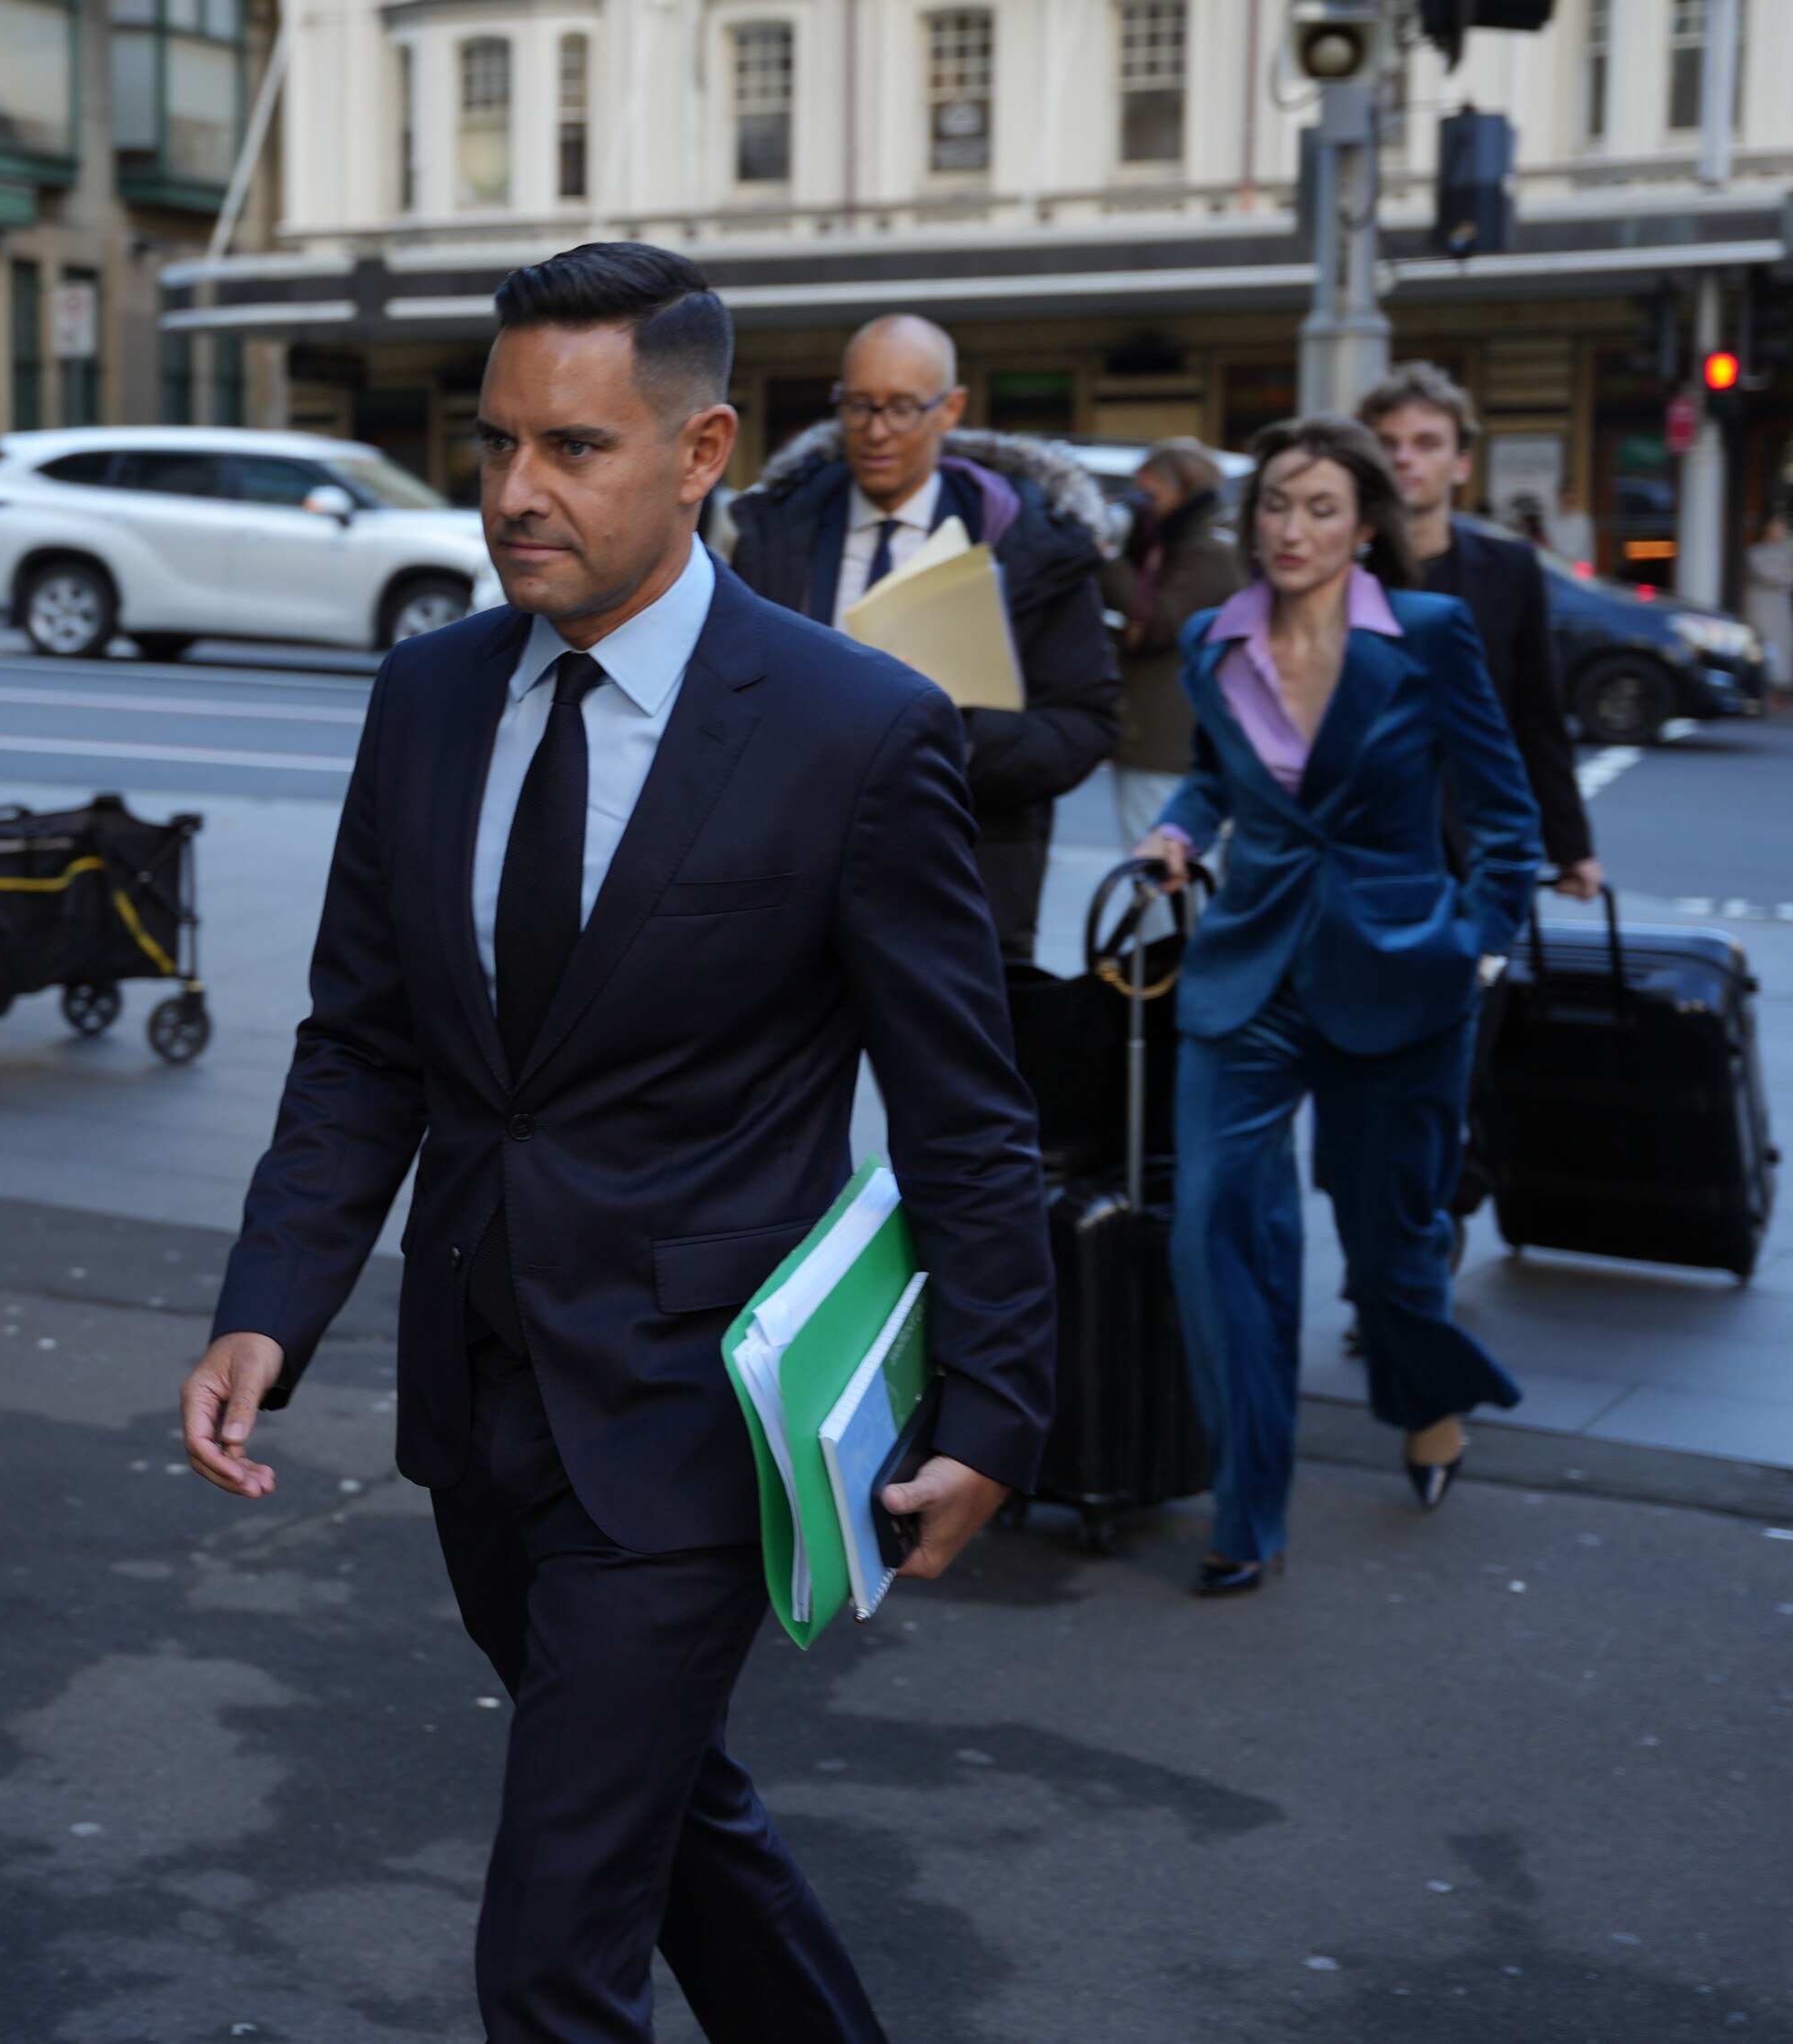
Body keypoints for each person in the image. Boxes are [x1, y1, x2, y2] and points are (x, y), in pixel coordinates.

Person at [182, 244, 1057, 2044]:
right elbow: (362, 1039)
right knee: (666, 1809)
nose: (514, 492)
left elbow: (966, 1104)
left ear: (701, 448)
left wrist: (996, 1405)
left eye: (573, 446)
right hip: (480, 1389)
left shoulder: (851, 727)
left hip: (691, 1416)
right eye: (494, 442)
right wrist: (272, 1300)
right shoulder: (427, 700)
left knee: (552, 1948)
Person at [1132, 416, 1542, 1596]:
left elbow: (1503, 810)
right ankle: (1246, 1509)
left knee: (1389, 1252)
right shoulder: (1215, 638)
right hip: (1248, 973)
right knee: (1213, 1229)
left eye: (1318, 507)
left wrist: (1481, 944)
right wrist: (1176, 829)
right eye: (1273, 504)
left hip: (1404, 973)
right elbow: (1221, 771)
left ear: (1364, 524)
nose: (1291, 528)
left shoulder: (1426, 632)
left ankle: (1427, 1397)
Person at [729, 315, 1117, 962]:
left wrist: (950, 737)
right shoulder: (775, 534)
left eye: (903, 408)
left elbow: (1084, 726)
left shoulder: (1030, 543)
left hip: (966, 886)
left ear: (950, 408)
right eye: (858, 406)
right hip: (794, 887)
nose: (876, 431)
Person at [1360, 364, 1602, 902]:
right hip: (1355, 850)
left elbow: (1537, 716)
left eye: (1427, 443)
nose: (1404, 458)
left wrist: (1571, 845)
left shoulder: (1510, 570)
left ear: (1461, 464)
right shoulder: (1332, 571)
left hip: (1473, 851)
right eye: (1388, 443)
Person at [1100, 438, 1244, 850]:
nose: (1140, 506)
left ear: (1181, 488)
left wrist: (1107, 558)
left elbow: (1156, 623)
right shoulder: (1179, 543)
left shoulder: (1209, 550)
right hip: (1163, 733)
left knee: (1159, 867)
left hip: (1168, 738)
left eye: (1149, 494)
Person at [1744, 508, 1793, 710]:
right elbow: (1766, 574)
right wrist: (1782, 575)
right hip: (1762, 606)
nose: (1782, 530)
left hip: (1781, 606)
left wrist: (1782, 576)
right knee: (1765, 647)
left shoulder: (1788, 553)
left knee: (1782, 648)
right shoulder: (1756, 552)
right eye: (1778, 525)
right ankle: (1763, 691)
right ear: (1768, 528)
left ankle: (1778, 690)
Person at [1547, 478, 1597, 573]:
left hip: (1574, 577)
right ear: (1560, 495)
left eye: (1573, 493)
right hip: (1553, 575)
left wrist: (1583, 580)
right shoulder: (1548, 522)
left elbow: (1588, 555)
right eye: (1566, 493)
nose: (1569, 497)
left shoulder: (1583, 522)